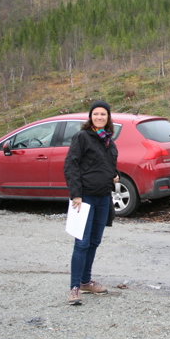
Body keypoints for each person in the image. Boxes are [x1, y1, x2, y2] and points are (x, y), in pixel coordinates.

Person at [64, 100, 119, 305]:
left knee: (95, 241)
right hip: (84, 198)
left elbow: (109, 165)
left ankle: (86, 281)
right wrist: (75, 194)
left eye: (103, 114)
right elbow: (71, 165)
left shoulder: (108, 140)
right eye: (96, 114)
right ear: (90, 117)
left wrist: (115, 175)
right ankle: (74, 287)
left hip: (103, 197)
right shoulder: (82, 137)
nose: (99, 117)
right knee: (82, 243)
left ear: (108, 117)